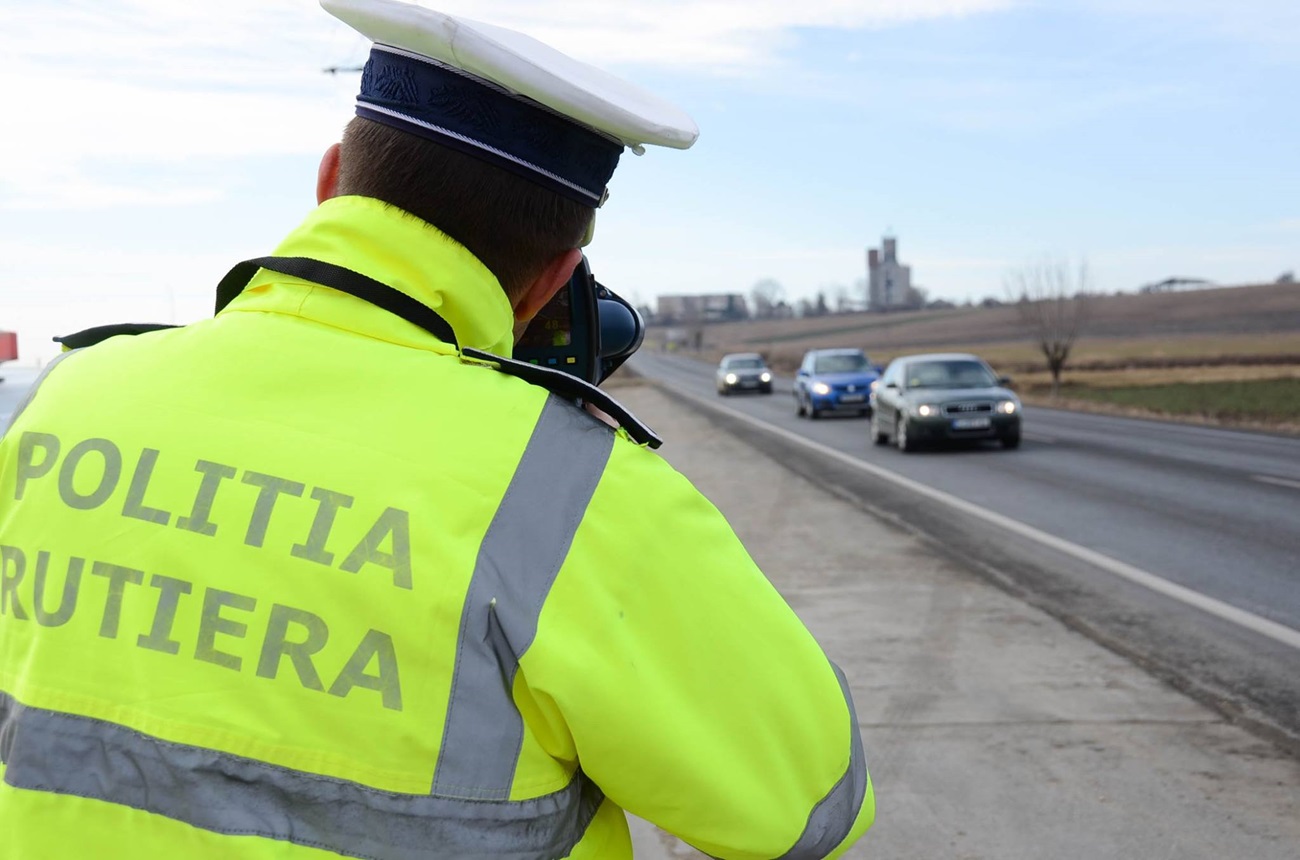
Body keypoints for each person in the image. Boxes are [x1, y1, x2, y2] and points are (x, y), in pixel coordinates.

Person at [0, 0, 874, 857]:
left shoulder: (64, 396)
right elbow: (805, 806)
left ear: (330, 182)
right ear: (554, 281)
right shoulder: (569, 494)